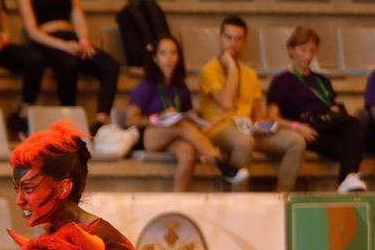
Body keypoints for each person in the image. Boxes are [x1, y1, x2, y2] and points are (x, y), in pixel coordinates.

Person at [200, 16, 307, 194]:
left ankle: (281, 196)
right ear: (220, 38)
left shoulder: (250, 74)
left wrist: (266, 126)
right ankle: (238, 198)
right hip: (219, 129)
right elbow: (226, 101)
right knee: (244, 142)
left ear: (244, 42)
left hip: (248, 129)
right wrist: (233, 68)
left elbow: (257, 117)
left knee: (296, 141)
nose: (232, 43)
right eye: (228, 37)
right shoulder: (209, 70)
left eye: (238, 39)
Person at [16, 0, 118, 123]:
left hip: (70, 37)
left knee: (109, 65)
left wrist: (83, 41)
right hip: (46, 40)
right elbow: (32, 30)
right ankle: (69, 115)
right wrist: (64, 46)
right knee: (69, 63)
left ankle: (101, 119)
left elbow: (77, 15)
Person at [128, 35, 239, 192]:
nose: (169, 58)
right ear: (155, 58)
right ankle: (217, 159)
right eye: (163, 53)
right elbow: (131, 119)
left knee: (188, 153)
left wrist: (193, 117)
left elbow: (186, 114)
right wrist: (157, 118)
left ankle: (178, 198)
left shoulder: (180, 86)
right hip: (149, 135)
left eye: (173, 53)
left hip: (175, 135)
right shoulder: (147, 85)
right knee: (179, 124)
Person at [265, 26, 367, 192]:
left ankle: (347, 181)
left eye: (312, 51)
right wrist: (296, 127)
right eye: (303, 50)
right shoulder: (281, 81)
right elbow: (271, 118)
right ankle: (348, 179)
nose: (307, 56)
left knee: (351, 143)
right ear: (291, 50)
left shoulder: (321, 80)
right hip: (305, 127)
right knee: (352, 130)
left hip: (327, 124)